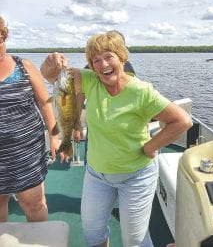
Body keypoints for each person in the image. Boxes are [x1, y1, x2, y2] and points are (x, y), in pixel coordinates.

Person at [40, 30, 192, 247]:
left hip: (136, 177)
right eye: (96, 60)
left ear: (122, 57)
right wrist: (53, 61)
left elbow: (182, 121)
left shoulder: (142, 92)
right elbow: (51, 76)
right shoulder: (92, 82)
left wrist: (151, 146)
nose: (103, 65)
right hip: (97, 175)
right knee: (93, 233)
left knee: (135, 240)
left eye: (109, 56)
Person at [0, 16, 60, 222]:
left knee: (34, 205)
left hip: (26, 152)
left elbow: (45, 102)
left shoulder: (22, 65)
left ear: (5, 37)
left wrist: (54, 135)